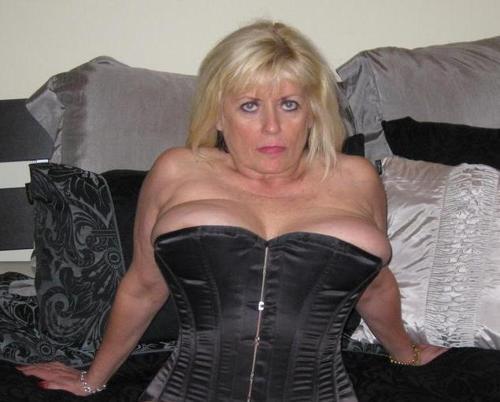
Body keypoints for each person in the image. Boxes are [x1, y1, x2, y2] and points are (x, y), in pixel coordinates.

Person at [18, 20, 447, 401]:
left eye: (290, 104)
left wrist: (406, 354)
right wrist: (92, 380)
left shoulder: (356, 178)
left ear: (313, 113)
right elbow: (144, 286)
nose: (272, 127)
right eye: (249, 106)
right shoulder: (177, 170)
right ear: (219, 115)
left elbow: (374, 287)